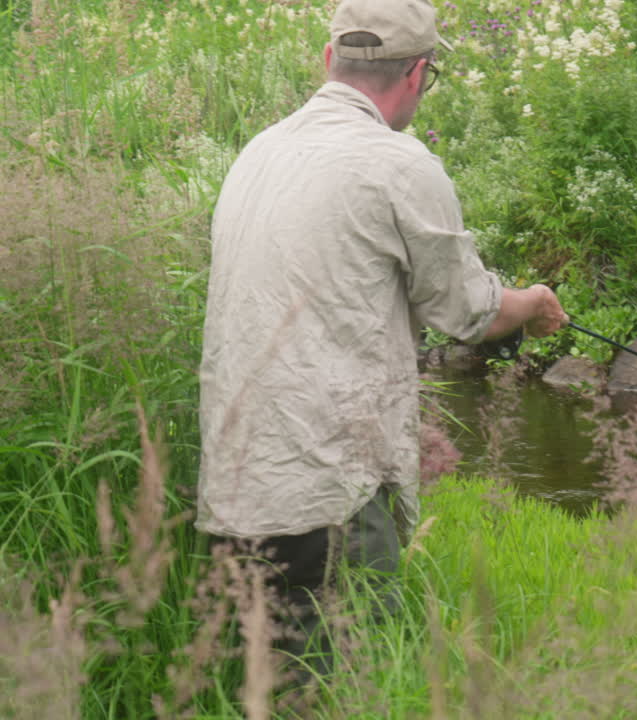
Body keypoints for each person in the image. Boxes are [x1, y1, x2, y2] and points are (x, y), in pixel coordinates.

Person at [196, 0, 567, 671]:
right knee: (358, 677)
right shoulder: (399, 163)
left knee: (262, 678)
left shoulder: (258, 151)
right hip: (327, 485)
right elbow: (469, 313)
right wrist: (533, 303)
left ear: (331, 60)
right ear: (419, 74)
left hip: (235, 476)